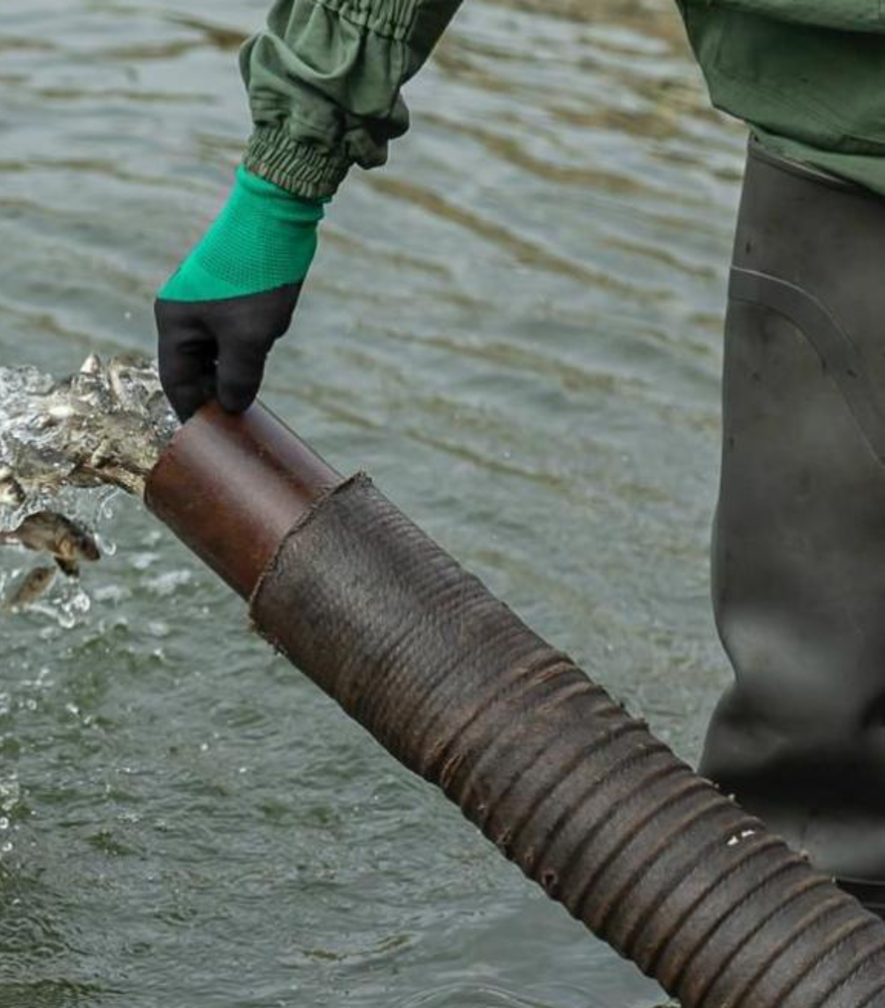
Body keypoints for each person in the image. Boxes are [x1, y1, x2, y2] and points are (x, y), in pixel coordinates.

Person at [155, 1, 885, 911]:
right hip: (848, 142)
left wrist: (282, 186)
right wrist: (284, 181)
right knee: (825, 810)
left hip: (844, 139)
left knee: (821, 805)